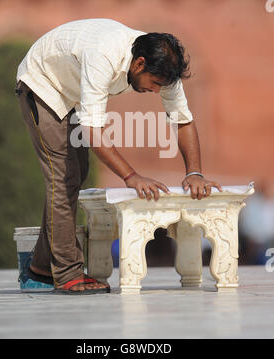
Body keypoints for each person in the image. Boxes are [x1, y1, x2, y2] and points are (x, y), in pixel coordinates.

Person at [15, 18, 222, 294]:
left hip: (70, 93)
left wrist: (194, 172)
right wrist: (131, 176)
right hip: (42, 84)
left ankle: (41, 267)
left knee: (77, 172)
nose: (157, 91)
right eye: (155, 83)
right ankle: (67, 273)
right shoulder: (104, 54)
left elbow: (182, 120)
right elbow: (93, 130)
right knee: (64, 177)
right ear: (139, 64)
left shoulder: (163, 67)